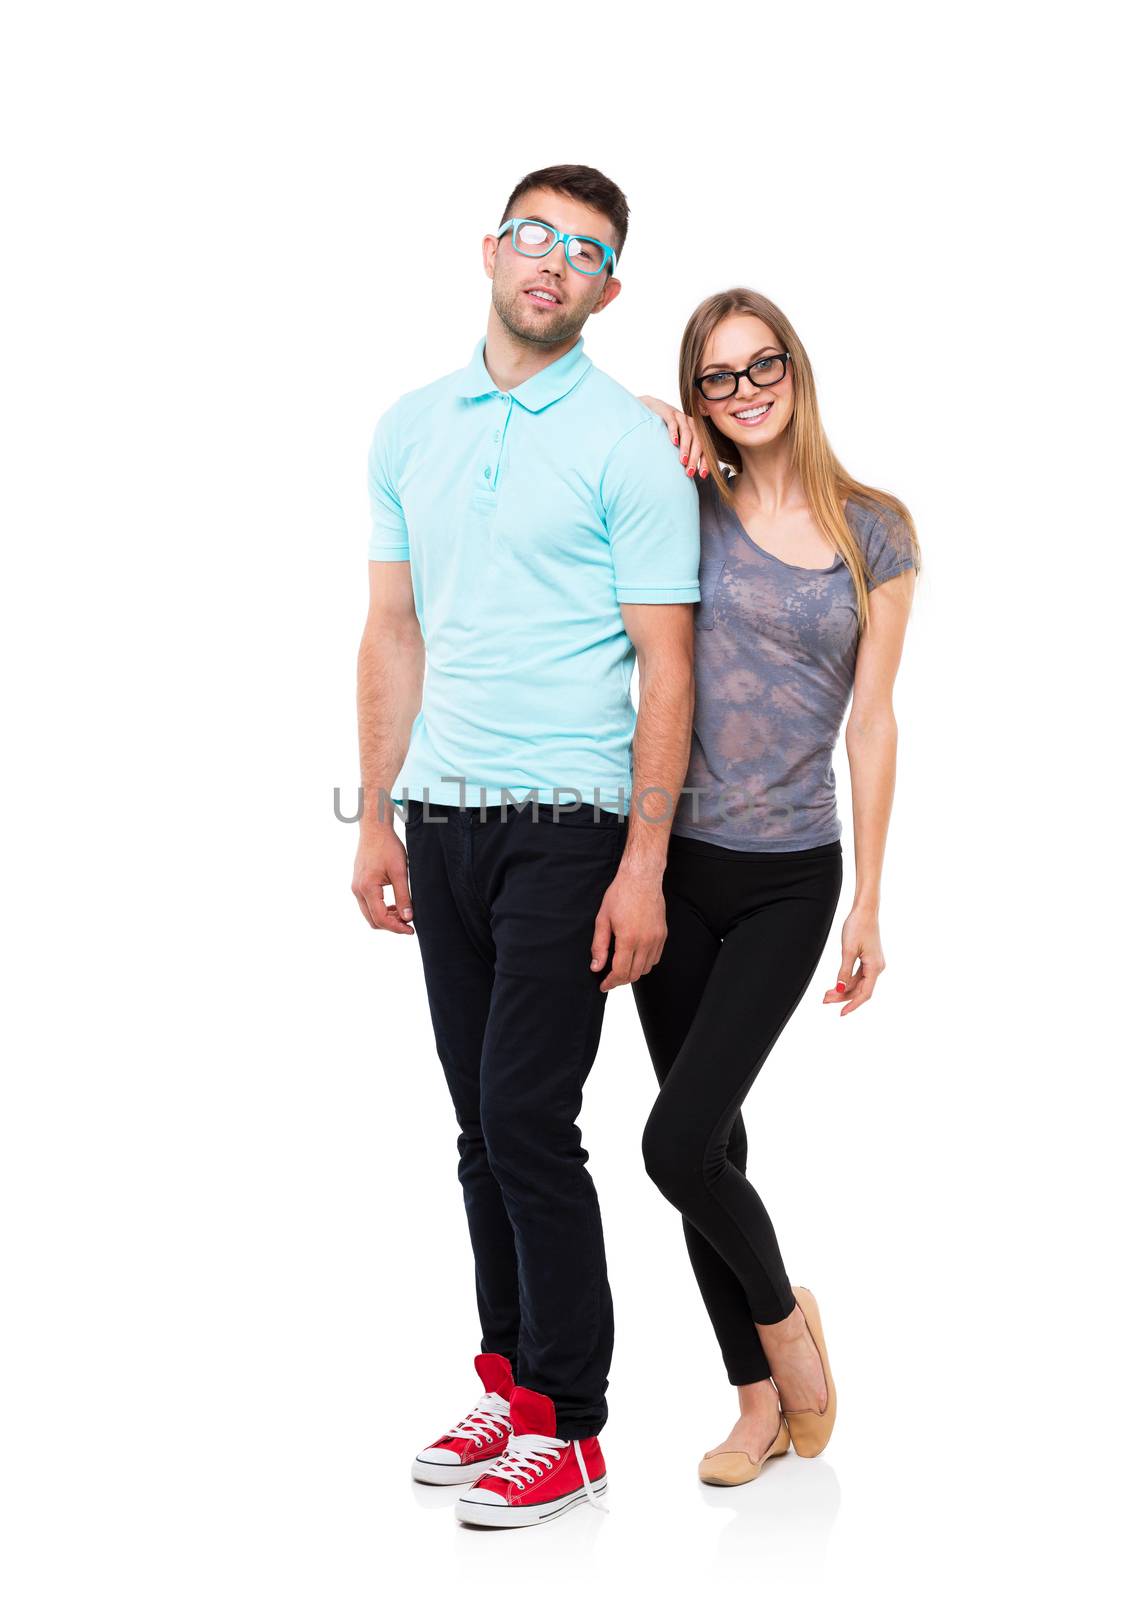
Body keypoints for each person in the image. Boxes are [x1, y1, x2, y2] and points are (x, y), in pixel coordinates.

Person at [352, 165, 701, 1528]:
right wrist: (375, 811)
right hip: (438, 819)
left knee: (524, 1118)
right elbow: (391, 631)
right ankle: (507, 1378)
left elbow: (662, 673)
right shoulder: (405, 427)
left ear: (607, 290)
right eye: (537, 235)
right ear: (490, 250)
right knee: (475, 1130)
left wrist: (641, 864)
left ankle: (571, 1421)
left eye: (587, 250)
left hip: (569, 823)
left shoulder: (630, 443)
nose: (555, 260)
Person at [634, 287, 921, 1485]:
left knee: (674, 1141)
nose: (744, 391)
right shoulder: (680, 504)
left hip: (788, 878)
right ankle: (756, 1399)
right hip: (665, 867)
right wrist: (650, 409)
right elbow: (593, 421)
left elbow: (872, 721)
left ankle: (786, 1328)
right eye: (716, 378)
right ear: (699, 393)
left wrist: (867, 899)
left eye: (763, 368)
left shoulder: (877, 528)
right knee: (711, 1149)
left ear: (795, 371)